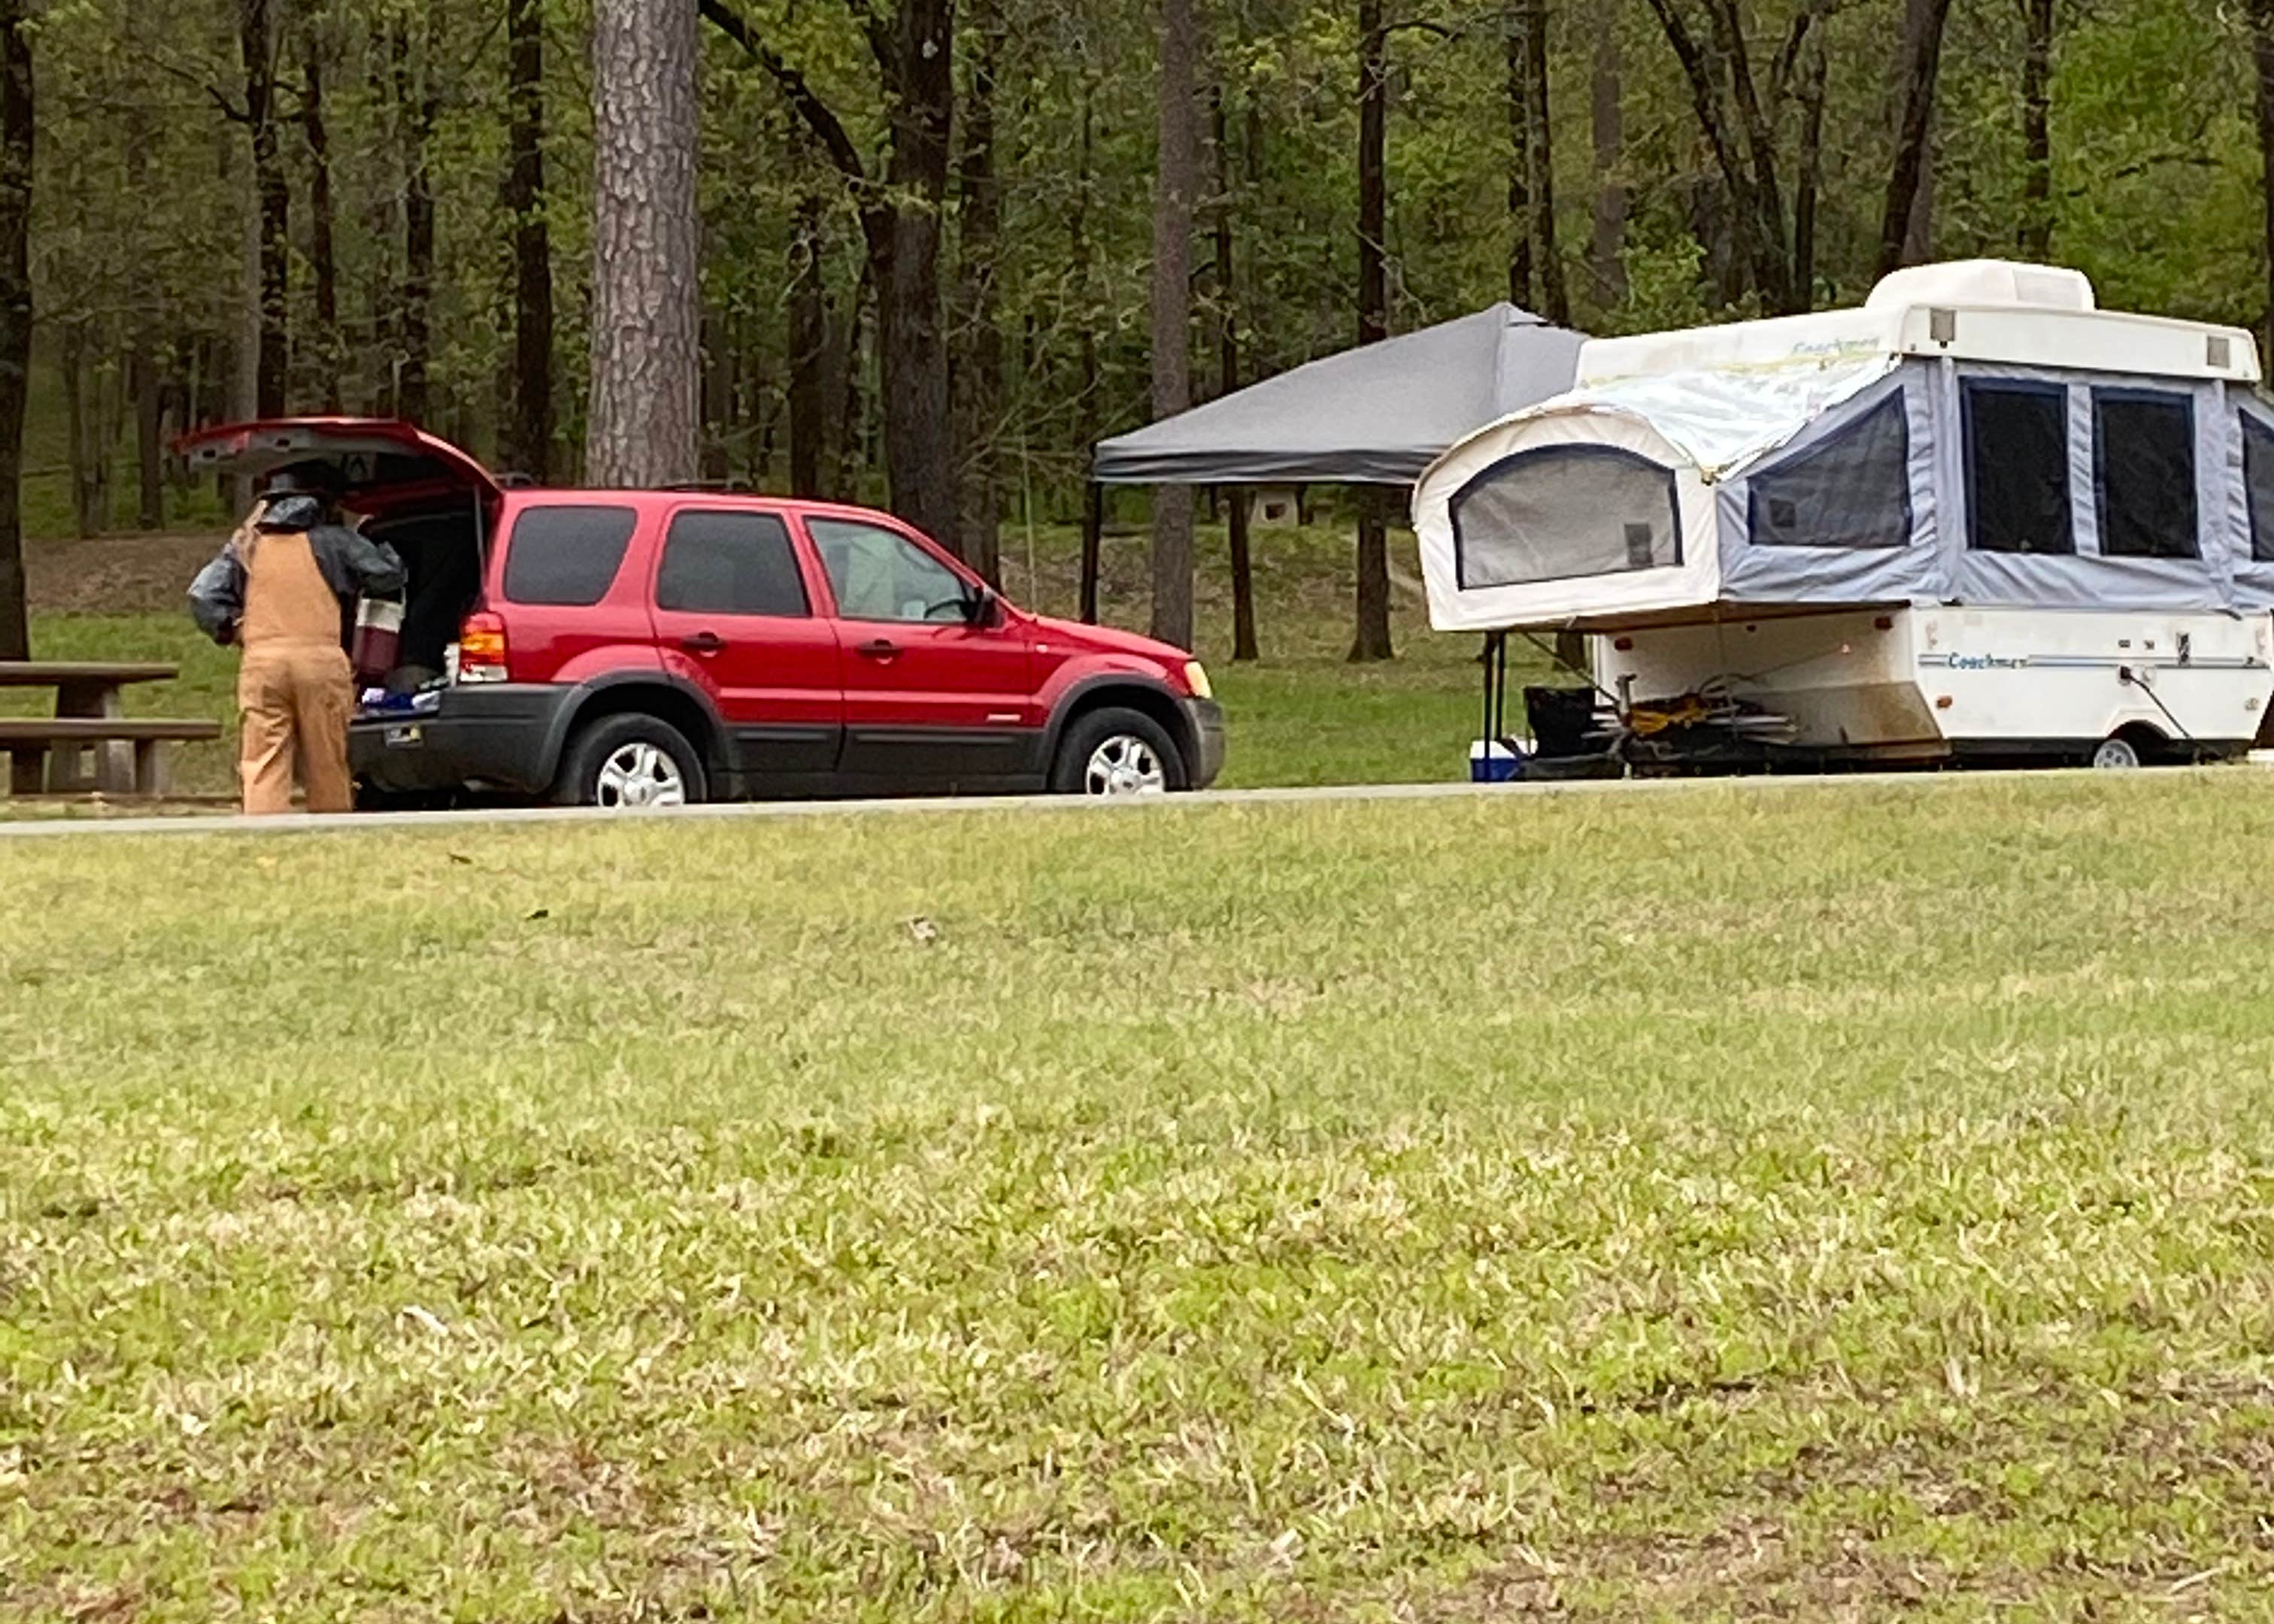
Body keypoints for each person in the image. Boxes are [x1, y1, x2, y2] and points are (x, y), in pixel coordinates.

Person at [188, 466, 405, 814]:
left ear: (270, 505)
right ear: (320, 503)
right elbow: (386, 577)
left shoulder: (246, 546)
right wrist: (388, 545)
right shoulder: (335, 541)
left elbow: (202, 596)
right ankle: (331, 832)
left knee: (262, 758)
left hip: (262, 663)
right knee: (327, 758)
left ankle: (264, 834)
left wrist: (231, 628)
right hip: (320, 662)